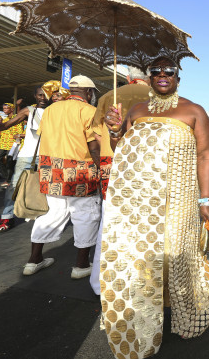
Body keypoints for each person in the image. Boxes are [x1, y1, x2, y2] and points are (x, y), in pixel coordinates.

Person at [101, 57, 209, 358]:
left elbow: (206, 155)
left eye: (170, 71)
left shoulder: (193, 111)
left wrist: (206, 200)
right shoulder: (137, 111)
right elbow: (122, 153)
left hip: (180, 199)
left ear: (178, 79)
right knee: (143, 256)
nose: (162, 75)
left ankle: (186, 314)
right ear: (149, 78)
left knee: (177, 254)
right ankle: (143, 314)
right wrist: (116, 131)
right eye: (155, 71)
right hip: (140, 202)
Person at [22, 75, 101, 278]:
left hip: (52, 171)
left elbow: (44, 136)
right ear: (89, 92)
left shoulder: (50, 110)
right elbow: (93, 147)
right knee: (85, 216)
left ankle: (34, 260)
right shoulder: (90, 111)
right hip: (80, 173)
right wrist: (102, 169)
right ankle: (81, 266)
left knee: (49, 214)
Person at [88, 66, 150, 296]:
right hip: (145, 164)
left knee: (110, 219)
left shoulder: (108, 97)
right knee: (143, 222)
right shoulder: (156, 98)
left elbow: (95, 134)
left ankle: (99, 283)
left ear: (128, 78)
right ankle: (137, 278)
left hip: (110, 161)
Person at [0, 86, 49, 232]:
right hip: (27, 156)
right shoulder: (29, 111)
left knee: (47, 189)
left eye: (45, 95)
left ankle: (44, 218)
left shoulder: (56, 112)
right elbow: (7, 124)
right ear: (35, 95)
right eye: (40, 95)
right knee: (14, 187)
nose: (43, 98)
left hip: (49, 157)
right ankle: (7, 217)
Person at [0, 103, 23, 188]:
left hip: (12, 144)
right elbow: (3, 133)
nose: (4, 110)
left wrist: (18, 144)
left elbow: (19, 131)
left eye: (6, 108)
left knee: (10, 163)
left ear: (11, 109)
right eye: (3, 108)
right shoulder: (5, 120)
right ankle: (8, 177)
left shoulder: (17, 118)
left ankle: (8, 180)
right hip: (2, 144)